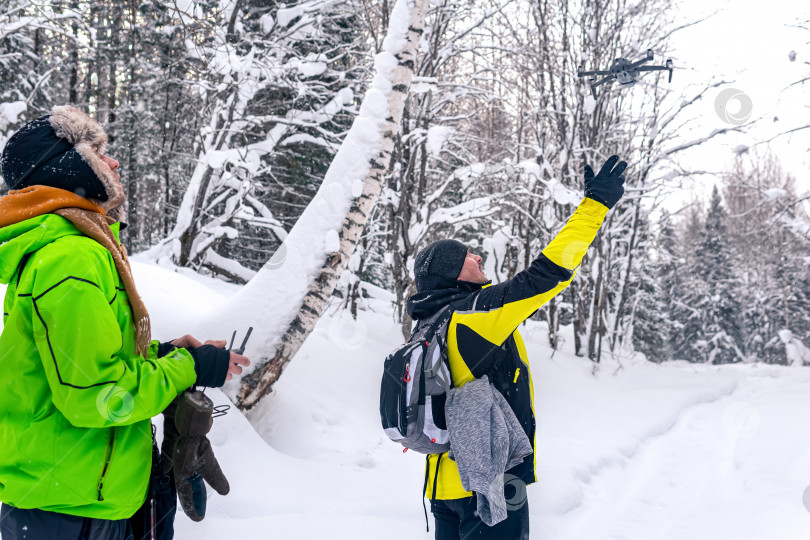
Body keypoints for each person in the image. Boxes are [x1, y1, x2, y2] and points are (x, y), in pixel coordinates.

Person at [0, 106, 250, 540]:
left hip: (81, 498)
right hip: (70, 511)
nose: (113, 163)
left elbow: (89, 363)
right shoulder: (69, 259)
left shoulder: (76, 247)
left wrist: (166, 355)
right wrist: (190, 368)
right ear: (66, 167)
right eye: (97, 152)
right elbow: (97, 394)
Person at [408, 155, 627, 539]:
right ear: (453, 272)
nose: (477, 256)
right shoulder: (474, 315)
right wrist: (595, 207)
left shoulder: (426, 325)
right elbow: (549, 273)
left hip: (441, 486)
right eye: (467, 256)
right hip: (489, 482)